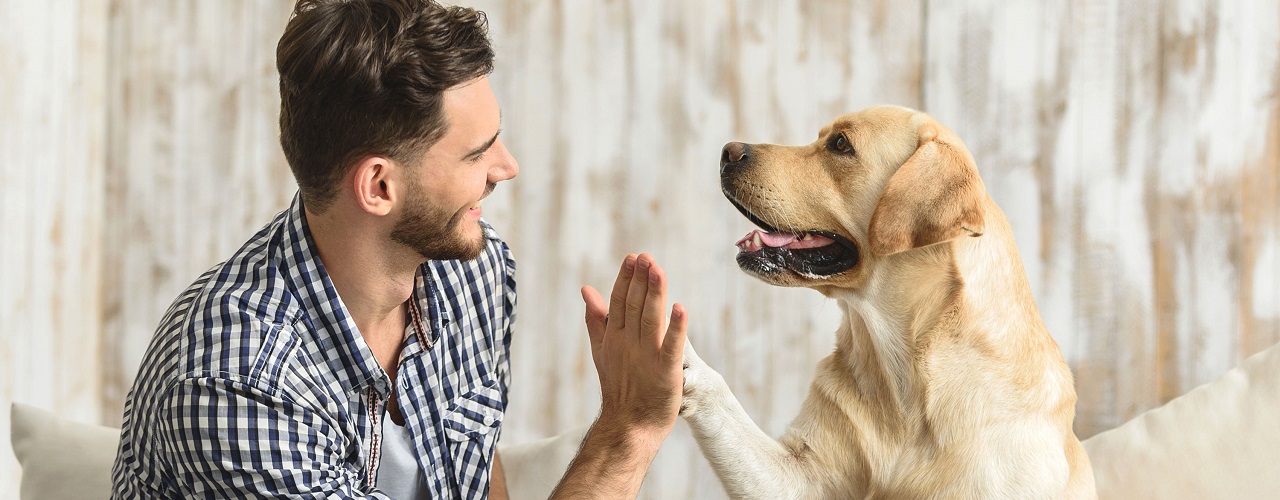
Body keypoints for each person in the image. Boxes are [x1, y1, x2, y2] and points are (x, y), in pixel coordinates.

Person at [109, 0, 688, 498]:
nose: (506, 168)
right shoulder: (237, 384)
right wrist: (628, 431)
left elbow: (475, 474)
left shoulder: (473, 277)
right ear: (379, 186)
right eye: (475, 153)